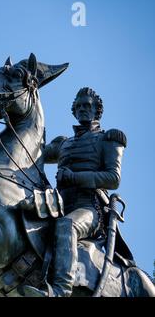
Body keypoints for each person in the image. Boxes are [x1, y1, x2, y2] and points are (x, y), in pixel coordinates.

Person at [25, 87, 127, 297]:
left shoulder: (108, 138)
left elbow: (113, 178)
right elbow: (33, 152)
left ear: (97, 110)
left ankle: (61, 290)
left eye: (87, 105)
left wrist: (74, 177)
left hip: (88, 207)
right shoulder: (64, 143)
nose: (82, 109)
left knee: (67, 225)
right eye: (78, 106)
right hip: (58, 204)